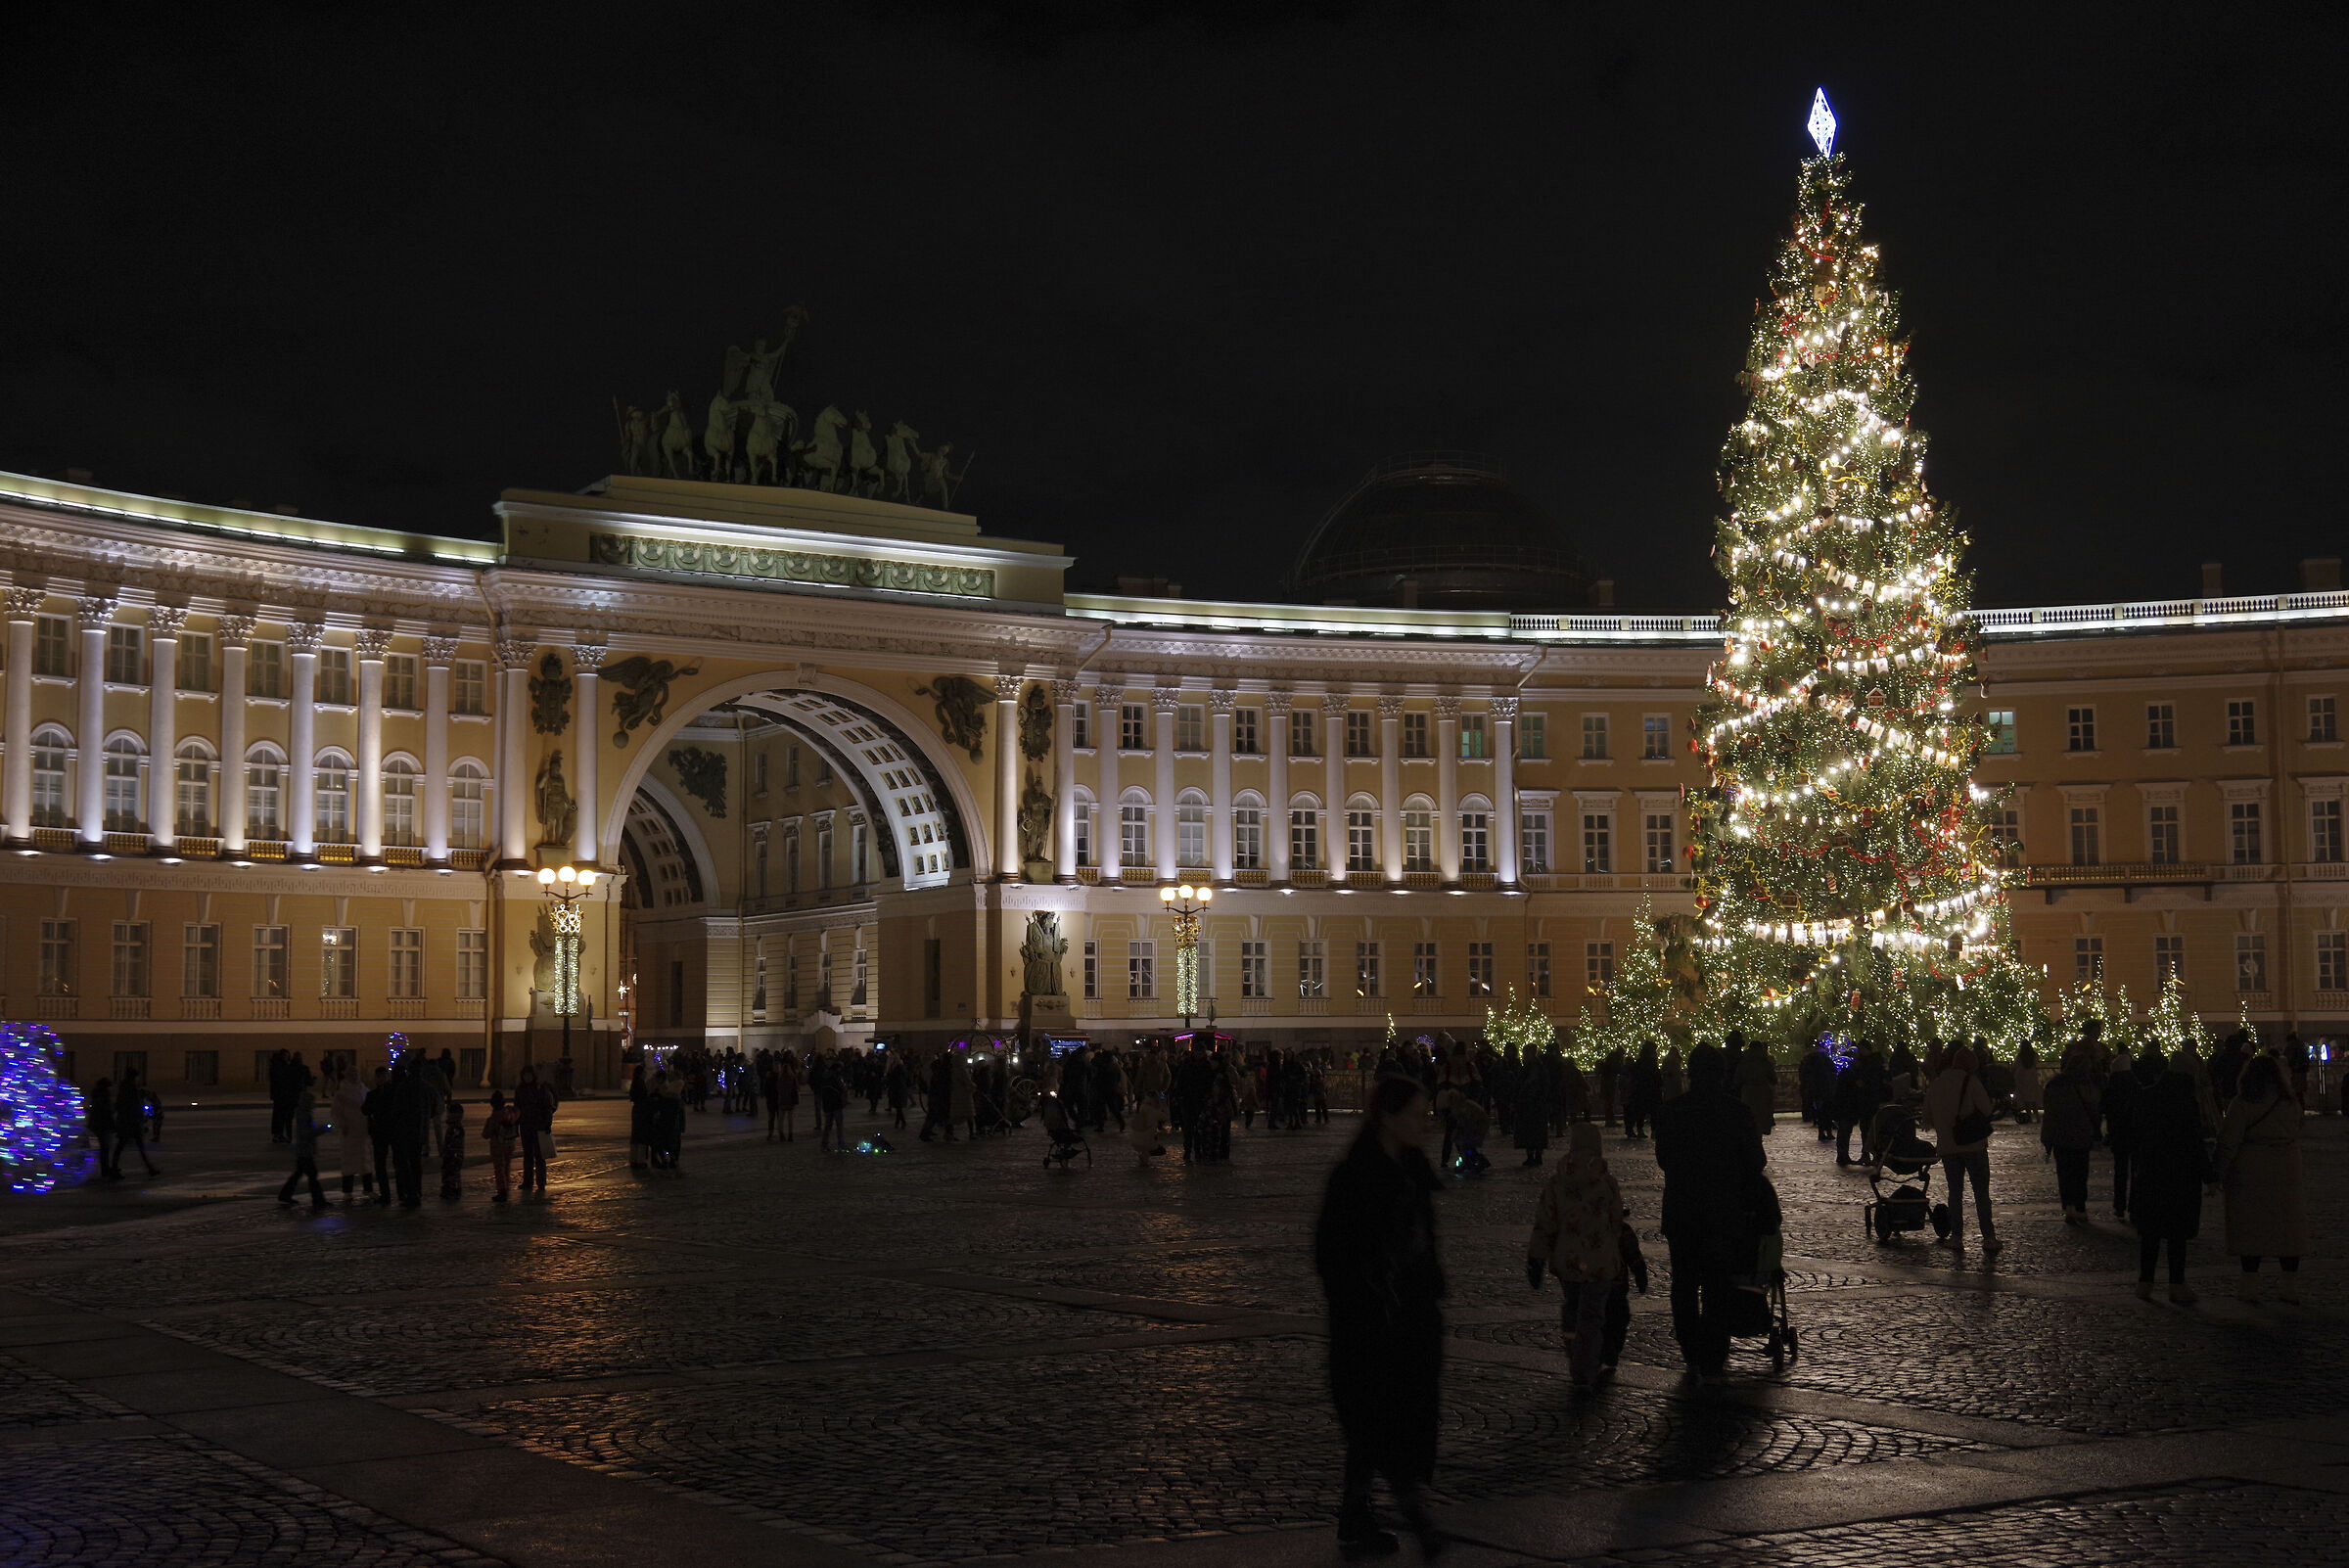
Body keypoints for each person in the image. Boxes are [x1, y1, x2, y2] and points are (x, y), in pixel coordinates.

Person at [1313, 1075, 1446, 1561]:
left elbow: (1423, 1246)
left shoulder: (1412, 1170)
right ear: (1389, 1118)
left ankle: (1356, 1515)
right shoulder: (1356, 1177)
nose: (1426, 1123)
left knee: (1381, 1423)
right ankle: (1414, 1512)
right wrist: (1369, 1295)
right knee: (1381, 1419)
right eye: (1417, 1113)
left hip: (1410, 1320)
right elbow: (1331, 1255)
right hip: (1370, 1323)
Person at [1653, 1044, 1766, 1381]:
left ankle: (1691, 1348)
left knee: (1684, 1283)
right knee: (1717, 1284)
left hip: (1683, 1211)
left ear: (1690, 1072)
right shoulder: (1737, 1112)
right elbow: (1756, 1162)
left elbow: (1664, 1160)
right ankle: (1714, 1352)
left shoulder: (1671, 1112)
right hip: (1722, 1211)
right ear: (1721, 1075)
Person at [1527, 1122, 1627, 1389]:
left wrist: (1536, 1258)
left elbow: (1544, 1224)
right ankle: (1585, 1367)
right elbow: (1617, 1222)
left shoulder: (1556, 1183)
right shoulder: (1607, 1183)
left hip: (1567, 1259)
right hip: (1599, 1260)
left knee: (1572, 1308)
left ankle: (1575, 1353)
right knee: (1593, 1315)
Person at [2218, 1054, 2306, 1302]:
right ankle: (2289, 1285)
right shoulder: (2288, 1102)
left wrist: (2219, 1171)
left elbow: (2228, 1140)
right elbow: (2299, 1128)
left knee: (2251, 1226)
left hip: (2251, 1166)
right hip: (2286, 1165)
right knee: (2287, 1225)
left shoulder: (2243, 1102)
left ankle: (2249, 1283)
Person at [2131, 1047, 2209, 1303]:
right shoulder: (2186, 1103)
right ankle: (2177, 1283)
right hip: (2180, 1175)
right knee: (2177, 1233)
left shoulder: (2148, 1096)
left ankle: (2145, 1281)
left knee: (2150, 1231)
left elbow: (2137, 1134)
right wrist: (2208, 1174)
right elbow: (2195, 1142)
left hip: (2150, 1171)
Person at [1924, 1040, 2002, 1254]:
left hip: (1949, 1147)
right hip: (1973, 1145)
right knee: (1981, 1193)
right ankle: (1988, 1236)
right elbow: (1986, 1110)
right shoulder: (1971, 1082)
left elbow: (1927, 1118)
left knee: (1955, 1193)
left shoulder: (1937, 1084)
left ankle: (1956, 1236)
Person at [2102, 1047, 2165, 1220]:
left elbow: (2104, 1109)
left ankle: (2119, 1205)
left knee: (2120, 1171)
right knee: (2137, 1171)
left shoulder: (2111, 1089)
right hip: (2136, 1133)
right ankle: (2134, 1206)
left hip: (2118, 1134)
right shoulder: (2137, 1088)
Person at [2039, 1051, 2101, 1223]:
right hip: (2080, 1133)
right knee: (2080, 1173)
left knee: (2064, 1172)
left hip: (2061, 1135)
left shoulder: (2054, 1085)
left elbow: (2049, 1114)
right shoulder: (2085, 1085)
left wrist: (2047, 1137)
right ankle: (2079, 1206)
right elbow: (2094, 1107)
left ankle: (2069, 1206)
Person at [276, 1086, 328, 1210]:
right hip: (305, 1149)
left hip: (302, 1149)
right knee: (312, 1174)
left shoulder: (303, 1113)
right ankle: (318, 1200)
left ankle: (285, 1194)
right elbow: (307, 1132)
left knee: (299, 1173)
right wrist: (323, 1129)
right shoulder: (305, 1115)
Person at [328, 1060, 370, 1200]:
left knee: (365, 1161)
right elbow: (336, 1112)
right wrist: (342, 1124)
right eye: (352, 1073)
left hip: (363, 1131)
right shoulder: (342, 1093)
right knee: (349, 1161)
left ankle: (367, 1189)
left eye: (356, 1073)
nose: (354, 1075)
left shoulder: (364, 1090)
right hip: (349, 1131)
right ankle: (347, 1191)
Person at [513, 1064, 557, 1194]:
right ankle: (527, 1182)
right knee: (527, 1155)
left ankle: (541, 1182)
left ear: (533, 1076)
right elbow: (517, 1109)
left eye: (529, 1075)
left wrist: (547, 1124)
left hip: (538, 1126)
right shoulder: (520, 1090)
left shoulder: (540, 1089)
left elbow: (547, 1108)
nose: (527, 1078)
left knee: (539, 1156)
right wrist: (515, 1126)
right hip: (526, 1126)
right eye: (525, 1075)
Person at [113, 1069, 161, 1179]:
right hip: (131, 1122)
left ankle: (149, 1168)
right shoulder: (131, 1088)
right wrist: (141, 1117)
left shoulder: (125, 1087)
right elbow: (134, 1105)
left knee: (126, 1146)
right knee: (129, 1146)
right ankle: (149, 1168)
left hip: (127, 1121)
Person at [361, 1067, 395, 1204]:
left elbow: (365, 1110)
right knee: (385, 1164)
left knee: (382, 1165)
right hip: (386, 1132)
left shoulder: (376, 1094)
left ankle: (386, 1195)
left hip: (382, 1132)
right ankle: (392, 1194)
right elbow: (365, 1110)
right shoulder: (390, 1092)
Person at [1733, 1034, 1777, 1137]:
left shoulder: (1743, 1062)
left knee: (1749, 1117)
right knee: (1761, 1118)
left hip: (1748, 1092)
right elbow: (1773, 1079)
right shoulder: (1764, 1062)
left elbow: (1737, 1079)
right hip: (1763, 1092)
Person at [483, 1090, 522, 1202]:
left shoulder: (493, 1118)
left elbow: (486, 1134)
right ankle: (506, 1187)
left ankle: (502, 1190)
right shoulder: (510, 1114)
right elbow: (517, 1112)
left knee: (499, 1168)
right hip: (510, 1143)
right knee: (507, 1166)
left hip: (497, 1145)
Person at [86, 1075, 117, 1180]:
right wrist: (113, 1125)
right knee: (104, 1149)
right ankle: (105, 1169)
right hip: (103, 1126)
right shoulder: (104, 1098)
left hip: (95, 1126)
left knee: (99, 1149)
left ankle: (103, 1169)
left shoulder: (96, 1097)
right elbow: (107, 1113)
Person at [439, 1099, 467, 1199]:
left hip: (452, 1154)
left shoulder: (454, 1128)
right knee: (454, 1172)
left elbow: (450, 1142)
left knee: (450, 1171)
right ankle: (454, 1188)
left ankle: (450, 1189)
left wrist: (445, 1150)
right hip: (456, 1154)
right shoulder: (457, 1127)